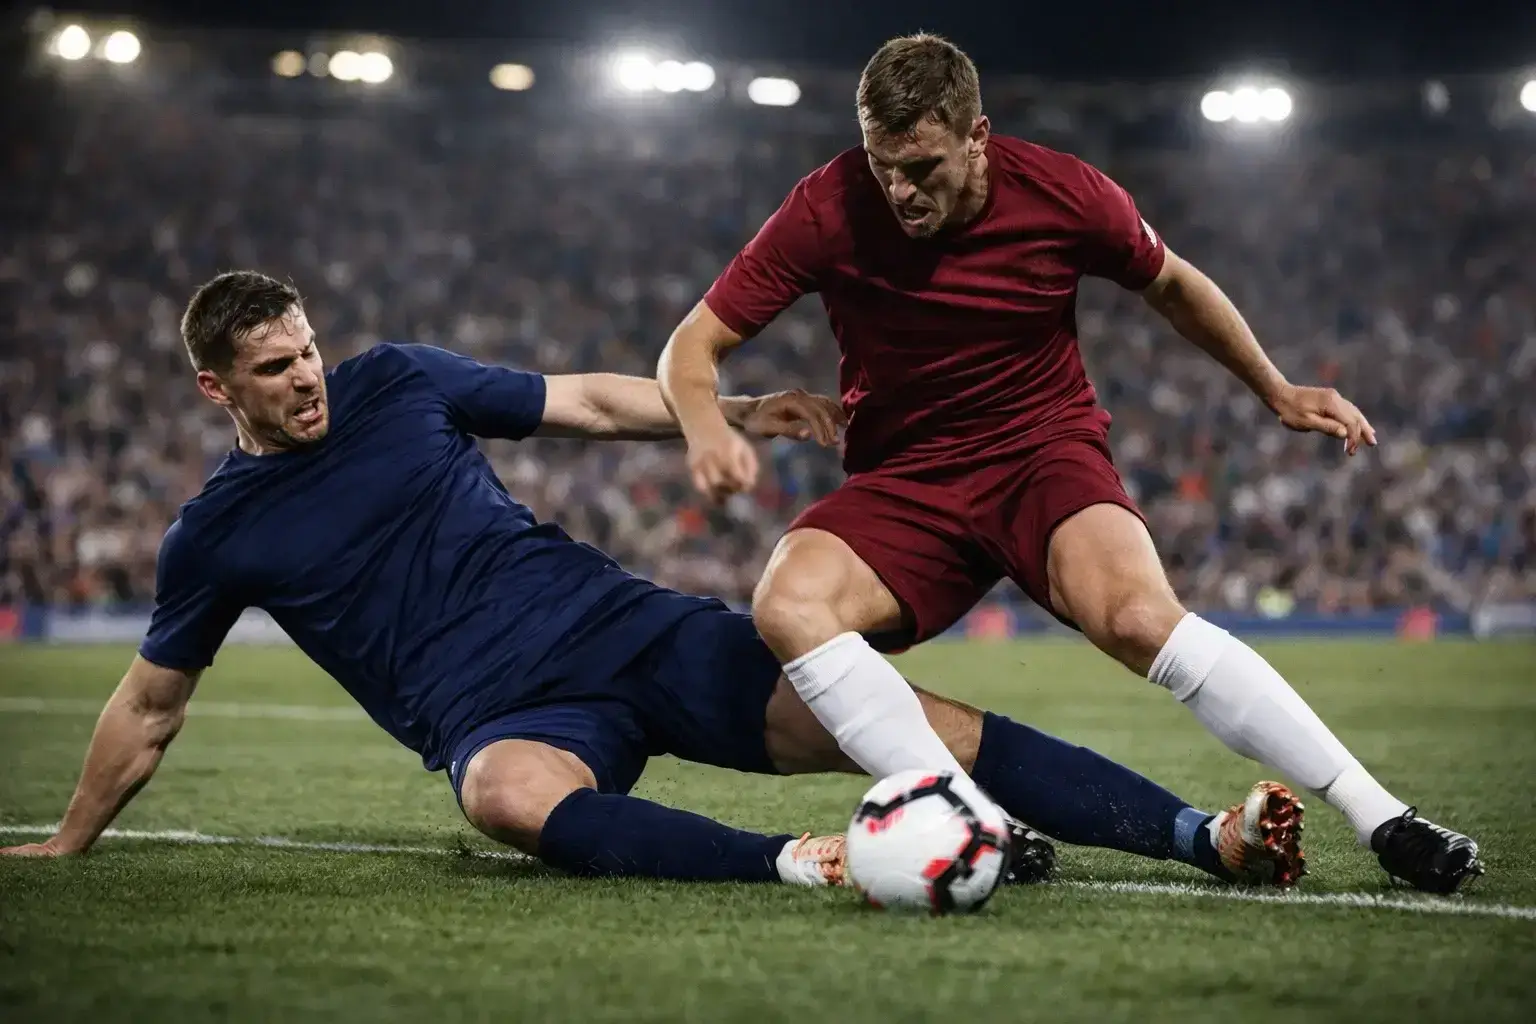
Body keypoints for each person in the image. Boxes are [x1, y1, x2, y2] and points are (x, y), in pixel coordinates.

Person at [2, 270, 1304, 890]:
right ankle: (800, 866)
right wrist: (71, 838)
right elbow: (152, 704)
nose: (308, 378)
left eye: (307, 352)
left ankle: (1208, 838)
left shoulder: (397, 379)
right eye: (275, 370)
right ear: (215, 389)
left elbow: (577, 400)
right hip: (501, 717)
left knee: (916, 723)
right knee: (506, 799)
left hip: (618, 627)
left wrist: (721, 407)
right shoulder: (215, 536)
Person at [657, 33, 1481, 894]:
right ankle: (974, 824)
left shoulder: (1063, 191)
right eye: (880, 164)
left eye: (921, 165)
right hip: (906, 480)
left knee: (1135, 617)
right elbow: (694, 344)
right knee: (787, 601)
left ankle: (1382, 815)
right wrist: (710, 427)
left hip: (1040, 451)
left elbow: (1173, 283)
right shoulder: (827, 206)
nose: (898, 189)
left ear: (978, 136)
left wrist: (1273, 388)